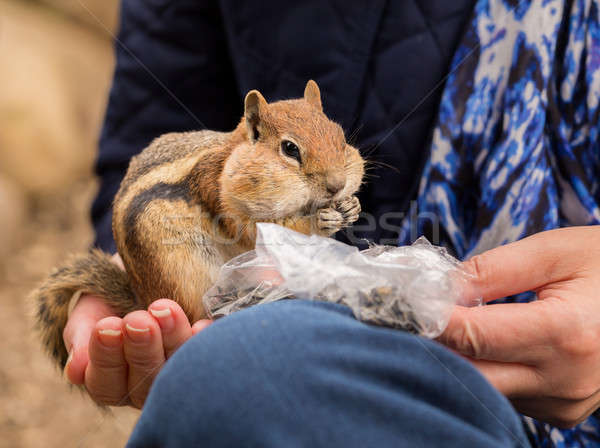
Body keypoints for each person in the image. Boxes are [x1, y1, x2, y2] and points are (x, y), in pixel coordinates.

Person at [63, 1, 600, 446]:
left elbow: (292, 239)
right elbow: (157, 113)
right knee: (225, 375)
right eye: (295, 154)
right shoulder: (235, 178)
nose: (335, 176)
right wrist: (127, 264)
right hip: (208, 264)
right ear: (253, 130)